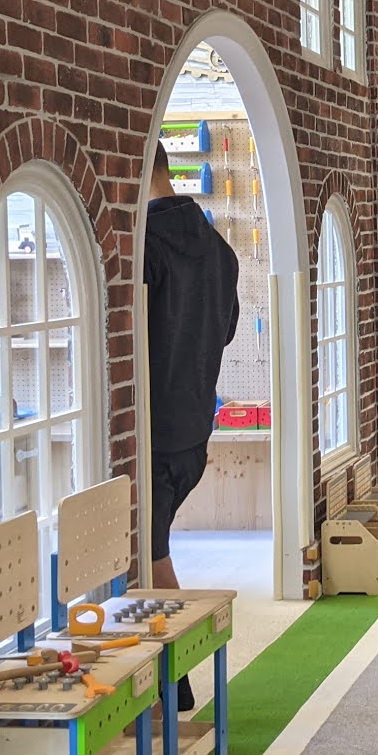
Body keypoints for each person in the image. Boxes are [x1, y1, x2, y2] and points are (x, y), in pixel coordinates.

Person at [143, 153, 240, 594]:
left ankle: (185, 642)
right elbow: (226, 332)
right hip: (195, 435)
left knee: (148, 561)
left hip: (153, 441)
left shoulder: (144, 247)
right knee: (149, 554)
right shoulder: (220, 250)